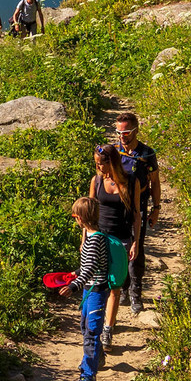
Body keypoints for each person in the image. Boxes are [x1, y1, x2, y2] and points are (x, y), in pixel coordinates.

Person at [109, 109, 162, 313]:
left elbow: (155, 182)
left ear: (136, 130)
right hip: (116, 207)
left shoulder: (147, 154)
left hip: (138, 207)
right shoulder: (113, 151)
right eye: (119, 132)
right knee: (118, 248)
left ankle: (135, 293)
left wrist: (156, 208)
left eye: (126, 132)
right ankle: (121, 289)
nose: (122, 136)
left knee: (136, 247)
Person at [83, 140, 137, 334]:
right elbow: (89, 213)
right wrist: (85, 240)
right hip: (99, 238)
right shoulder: (96, 181)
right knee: (97, 283)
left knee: (115, 285)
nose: (98, 167)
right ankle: (96, 324)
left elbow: (136, 214)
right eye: (96, 163)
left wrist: (135, 242)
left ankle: (108, 328)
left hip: (121, 238)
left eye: (101, 163)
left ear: (112, 162)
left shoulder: (131, 181)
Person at [73, 195, 111, 381]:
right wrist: (75, 274)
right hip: (90, 289)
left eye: (74, 216)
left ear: (81, 217)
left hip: (96, 290)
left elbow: (90, 269)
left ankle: (88, 377)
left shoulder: (95, 239)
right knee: (84, 326)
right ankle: (98, 358)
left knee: (92, 332)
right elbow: (88, 266)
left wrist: (74, 285)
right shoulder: (90, 237)